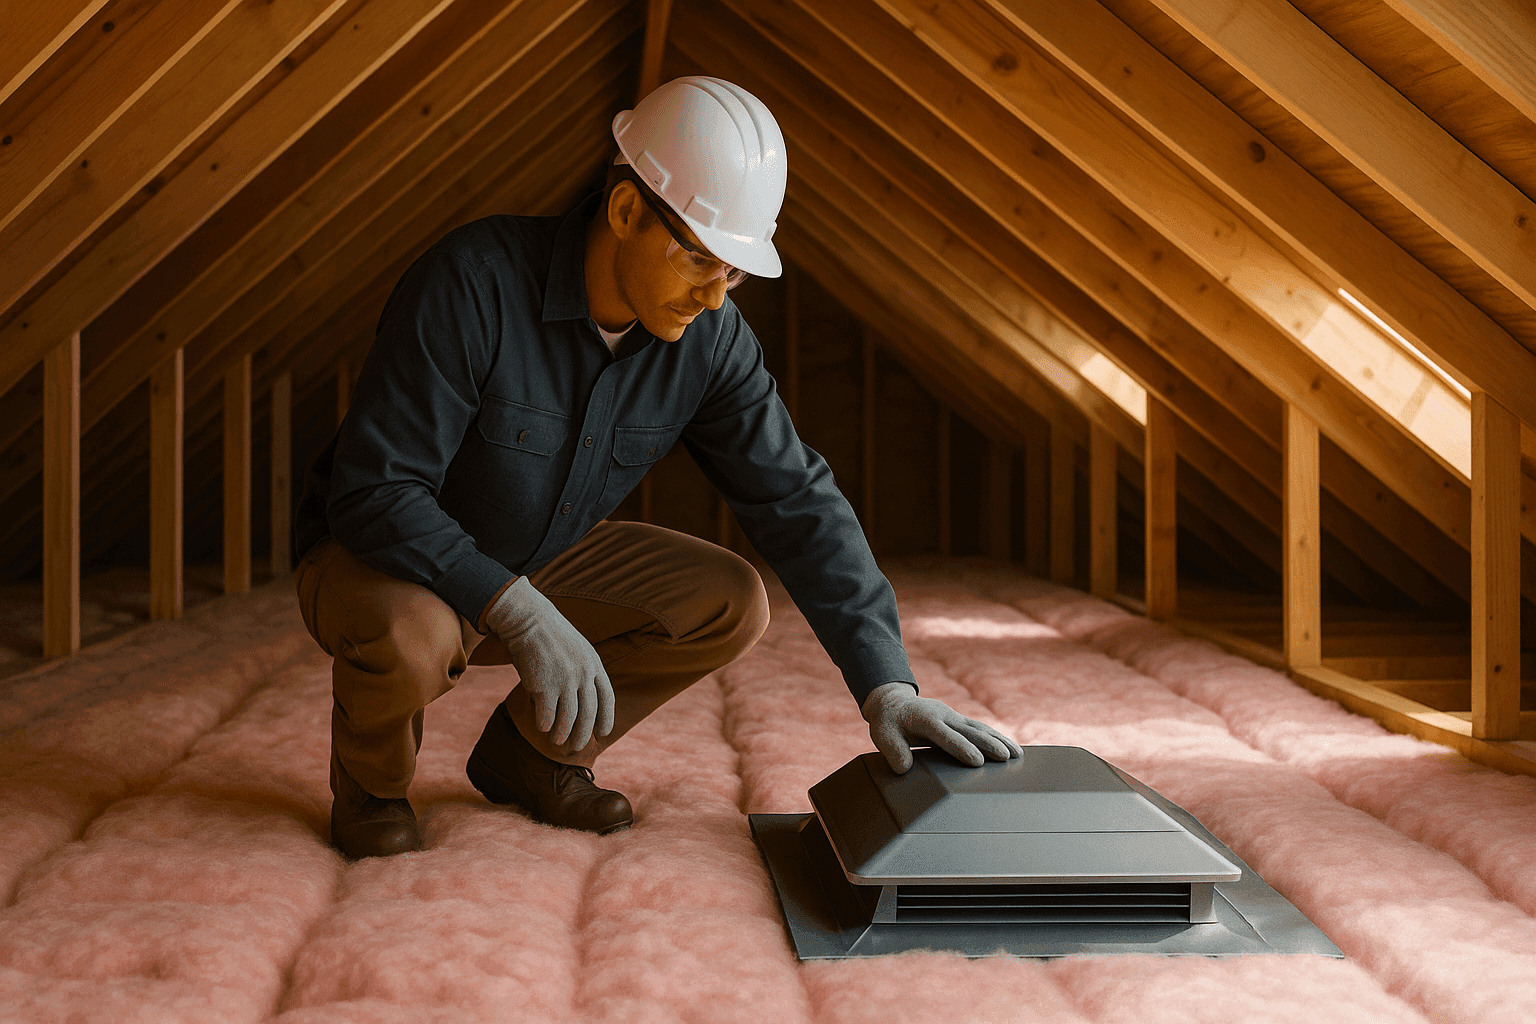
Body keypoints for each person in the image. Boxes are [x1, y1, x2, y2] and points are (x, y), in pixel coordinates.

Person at [292, 76, 1023, 860]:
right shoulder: (473, 284)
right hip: (380, 562)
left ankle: (533, 756)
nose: (714, 299)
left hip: (531, 560)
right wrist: (516, 608)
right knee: (412, 632)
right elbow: (374, 493)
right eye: (700, 261)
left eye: (734, 274)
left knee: (728, 599)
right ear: (626, 212)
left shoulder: (711, 340)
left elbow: (797, 498)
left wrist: (888, 685)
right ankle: (373, 787)